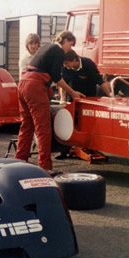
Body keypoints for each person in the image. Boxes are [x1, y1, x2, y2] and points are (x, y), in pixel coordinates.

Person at [15, 31, 85, 173]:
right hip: (34, 85)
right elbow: (56, 77)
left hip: (23, 82)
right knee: (43, 128)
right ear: (65, 40)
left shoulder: (47, 47)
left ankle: (19, 162)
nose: (70, 49)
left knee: (27, 125)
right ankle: (45, 167)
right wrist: (72, 92)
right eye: (70, 45)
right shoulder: (58, 51)